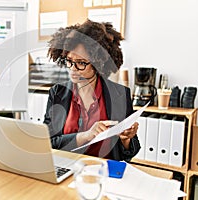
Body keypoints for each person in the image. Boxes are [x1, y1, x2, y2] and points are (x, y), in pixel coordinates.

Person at [43, 19, 140, 161]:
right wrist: (85, 135)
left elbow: (130, 152)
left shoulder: (120, 94)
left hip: (103, 172)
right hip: (66, 168)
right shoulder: (57, 92)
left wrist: (126, 139)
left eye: (81, 63)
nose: (73, 69)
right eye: (69, 60)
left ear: (98, 63)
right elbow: (48, 142)